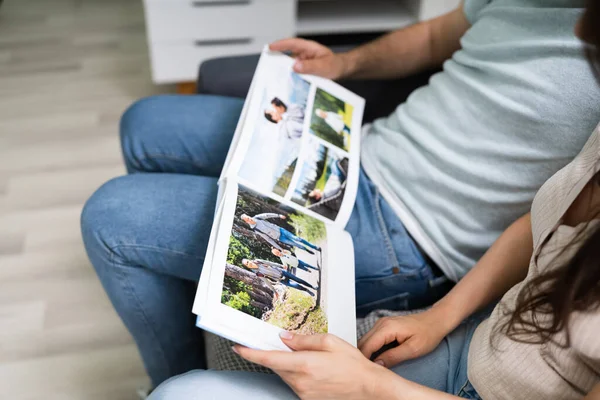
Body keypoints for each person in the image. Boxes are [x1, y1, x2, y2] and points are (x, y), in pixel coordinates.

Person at [81, 0, 600, 389]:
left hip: (409, 235)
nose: (580, 33)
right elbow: (432, 38)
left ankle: (180, 369)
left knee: (112, 216)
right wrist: (343, 66)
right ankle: (203, 326)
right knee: (144, 124)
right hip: (358, 153)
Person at [240, 213, 321, 254]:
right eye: (247, 219)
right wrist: (280, 249)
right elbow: (268, 239)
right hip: (280, 238)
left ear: (249, 216)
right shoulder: (256, 229)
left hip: (280, 230)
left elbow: (267, 215)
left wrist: (278, 215)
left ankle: (314, 247)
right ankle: (306, 249)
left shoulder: (257, 217)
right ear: (246, 222)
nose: (249, 219)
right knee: (297, 245)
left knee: (297, 239)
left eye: (248, 217)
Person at [242, 258, 318, 296]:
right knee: (296, 286)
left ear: (249, 260)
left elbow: (270, 263)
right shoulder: (257, 273)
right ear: (247, 266)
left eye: (248, 262)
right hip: (281, 280)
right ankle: (306, 290)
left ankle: (312, 287)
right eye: (247, 264)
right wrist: (275, 292)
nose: (249, 263)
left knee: (299, 280)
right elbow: (267, 282)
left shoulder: (258, 261)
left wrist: (281, 265)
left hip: (283, 272)